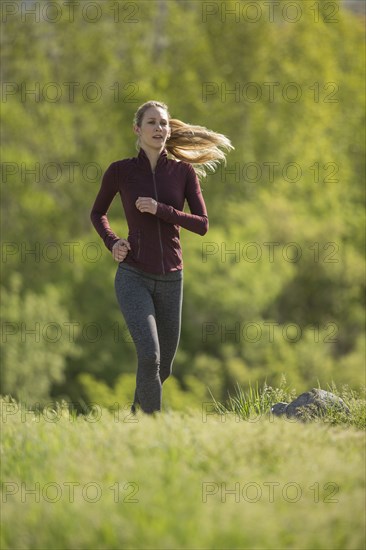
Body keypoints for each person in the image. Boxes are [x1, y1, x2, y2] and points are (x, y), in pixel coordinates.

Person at [90, 100, 233, 415]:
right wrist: (112, 241)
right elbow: (97, 212)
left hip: (172, 278)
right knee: (149, 356)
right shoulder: (121, 171)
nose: (159, 128)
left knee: (163, 367)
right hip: (133, 275)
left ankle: (134, 417)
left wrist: (162, 209)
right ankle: (151, 430)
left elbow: (202, 224)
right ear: (137, 130)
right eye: (152, 123)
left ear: (169, 129)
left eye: (163, 123)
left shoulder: (182, 173)